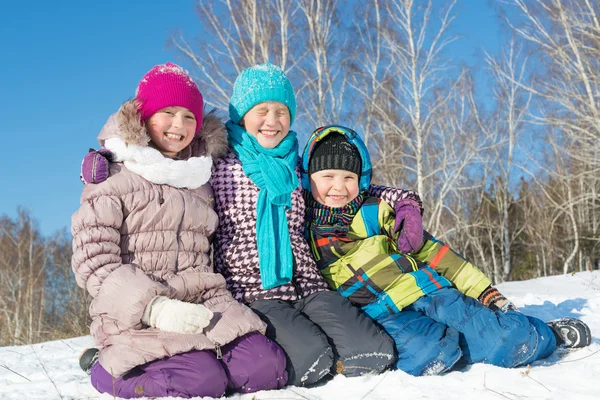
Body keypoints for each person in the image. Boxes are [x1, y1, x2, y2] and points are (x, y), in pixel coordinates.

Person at [79, 62, 425, 387]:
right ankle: (113, 366)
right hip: (250, 291)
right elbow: (145, 171)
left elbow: (343, 187)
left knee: (373, 352)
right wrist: (109, 155)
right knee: (307, 361)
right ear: (242, 115)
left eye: (281, 111)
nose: (271, 120)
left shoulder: (294, 167)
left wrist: (401, 200)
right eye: (261, 111)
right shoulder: (216, 166)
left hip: (303, 284)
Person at [300, 125, 592, 376]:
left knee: (507, 341)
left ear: (361, 179)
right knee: (429, 354)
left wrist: (483, 291)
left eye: (348, 178)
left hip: (429, 292)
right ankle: (464, 343)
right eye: (328, 176)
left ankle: (545, 335)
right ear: (308, 177)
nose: (338, 186)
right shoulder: (301, 228)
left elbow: (436, 253)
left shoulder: (375, 212)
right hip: (381, 315)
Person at [71, 62, 287, 399]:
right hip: (139, 312)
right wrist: (154, 307)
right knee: (201, 382)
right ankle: (103, 369)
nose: (179, 125)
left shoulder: (201, 178)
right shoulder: (113, 177)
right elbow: (94, 263)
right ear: (143, 117)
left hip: (203, 301)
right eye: (168, 113)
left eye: (189, 116)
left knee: (266, 368)